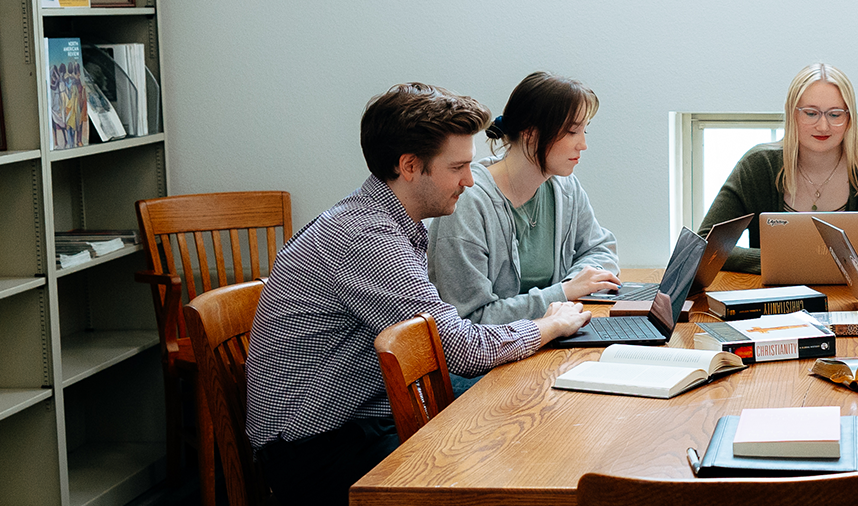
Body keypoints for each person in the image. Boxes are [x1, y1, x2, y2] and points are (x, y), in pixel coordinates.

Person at [244, 82, 592, 505]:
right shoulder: (365, 238)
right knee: (512, 447)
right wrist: (550, 324)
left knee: (532, 411)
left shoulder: (384, 223)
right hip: (318, 449)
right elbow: (462, 349)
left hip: (365, 417)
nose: (469, 180)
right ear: (410, 166)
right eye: (457, 167)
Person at [699, 63, 858, 272]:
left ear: (850, 118)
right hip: (778, 305)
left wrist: (842, 260)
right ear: (793, 114)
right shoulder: (758, 166)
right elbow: (705, 246)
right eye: (811, 113)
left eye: (835, 114)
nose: (823, 125)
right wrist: (777, 260)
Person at [430, 71, 621, 326]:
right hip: (492, 359)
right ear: (530, 133)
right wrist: (565, 292)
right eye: (573, 131)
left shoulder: (565, 187)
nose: (583, 144)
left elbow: (600, 248)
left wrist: (571, 287)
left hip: (547, 337)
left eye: (585, 131)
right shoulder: (469, 203)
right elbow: (471, 318)